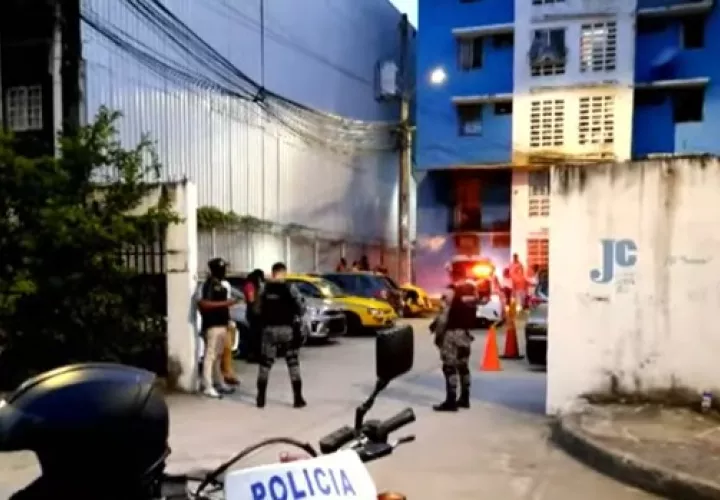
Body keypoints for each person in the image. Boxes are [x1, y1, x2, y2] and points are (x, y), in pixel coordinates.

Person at [255, 262, 306, 409]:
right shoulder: (290, 288)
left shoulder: (264, 288)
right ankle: (298, 398)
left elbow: (257, 309)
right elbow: (301, 308)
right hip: (287, 329)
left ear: (273, 273)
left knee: (265, 364)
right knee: (292, 363)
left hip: (269, 330)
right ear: (284, 272)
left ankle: (261, 398)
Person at [430, 281, 476, 412]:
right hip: (465, 336)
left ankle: (451, 401)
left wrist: (438, 338)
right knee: (463, 367)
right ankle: (465, 398)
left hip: (451, 337)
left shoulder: (452, 301)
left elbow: (442, 321)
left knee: (449, 367)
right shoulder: (468, 301)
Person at [197, 257, 238, 398]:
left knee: (218, 355)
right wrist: (225, 304)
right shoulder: (208, 285)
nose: (225, 271)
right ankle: (207, 385)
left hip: (222, 324)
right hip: (212, 325)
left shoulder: (220, 284)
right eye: (223, 268)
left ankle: (218, 382)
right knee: (210, 356)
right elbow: (203, 304)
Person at [243, 269, 265, 363]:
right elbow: (251, 299)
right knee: (255, 335)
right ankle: (254, 355)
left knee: (257, 334)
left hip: (255, 312)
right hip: (254, 312)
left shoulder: (251, 285)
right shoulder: (250, 286)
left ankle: (256, 354)